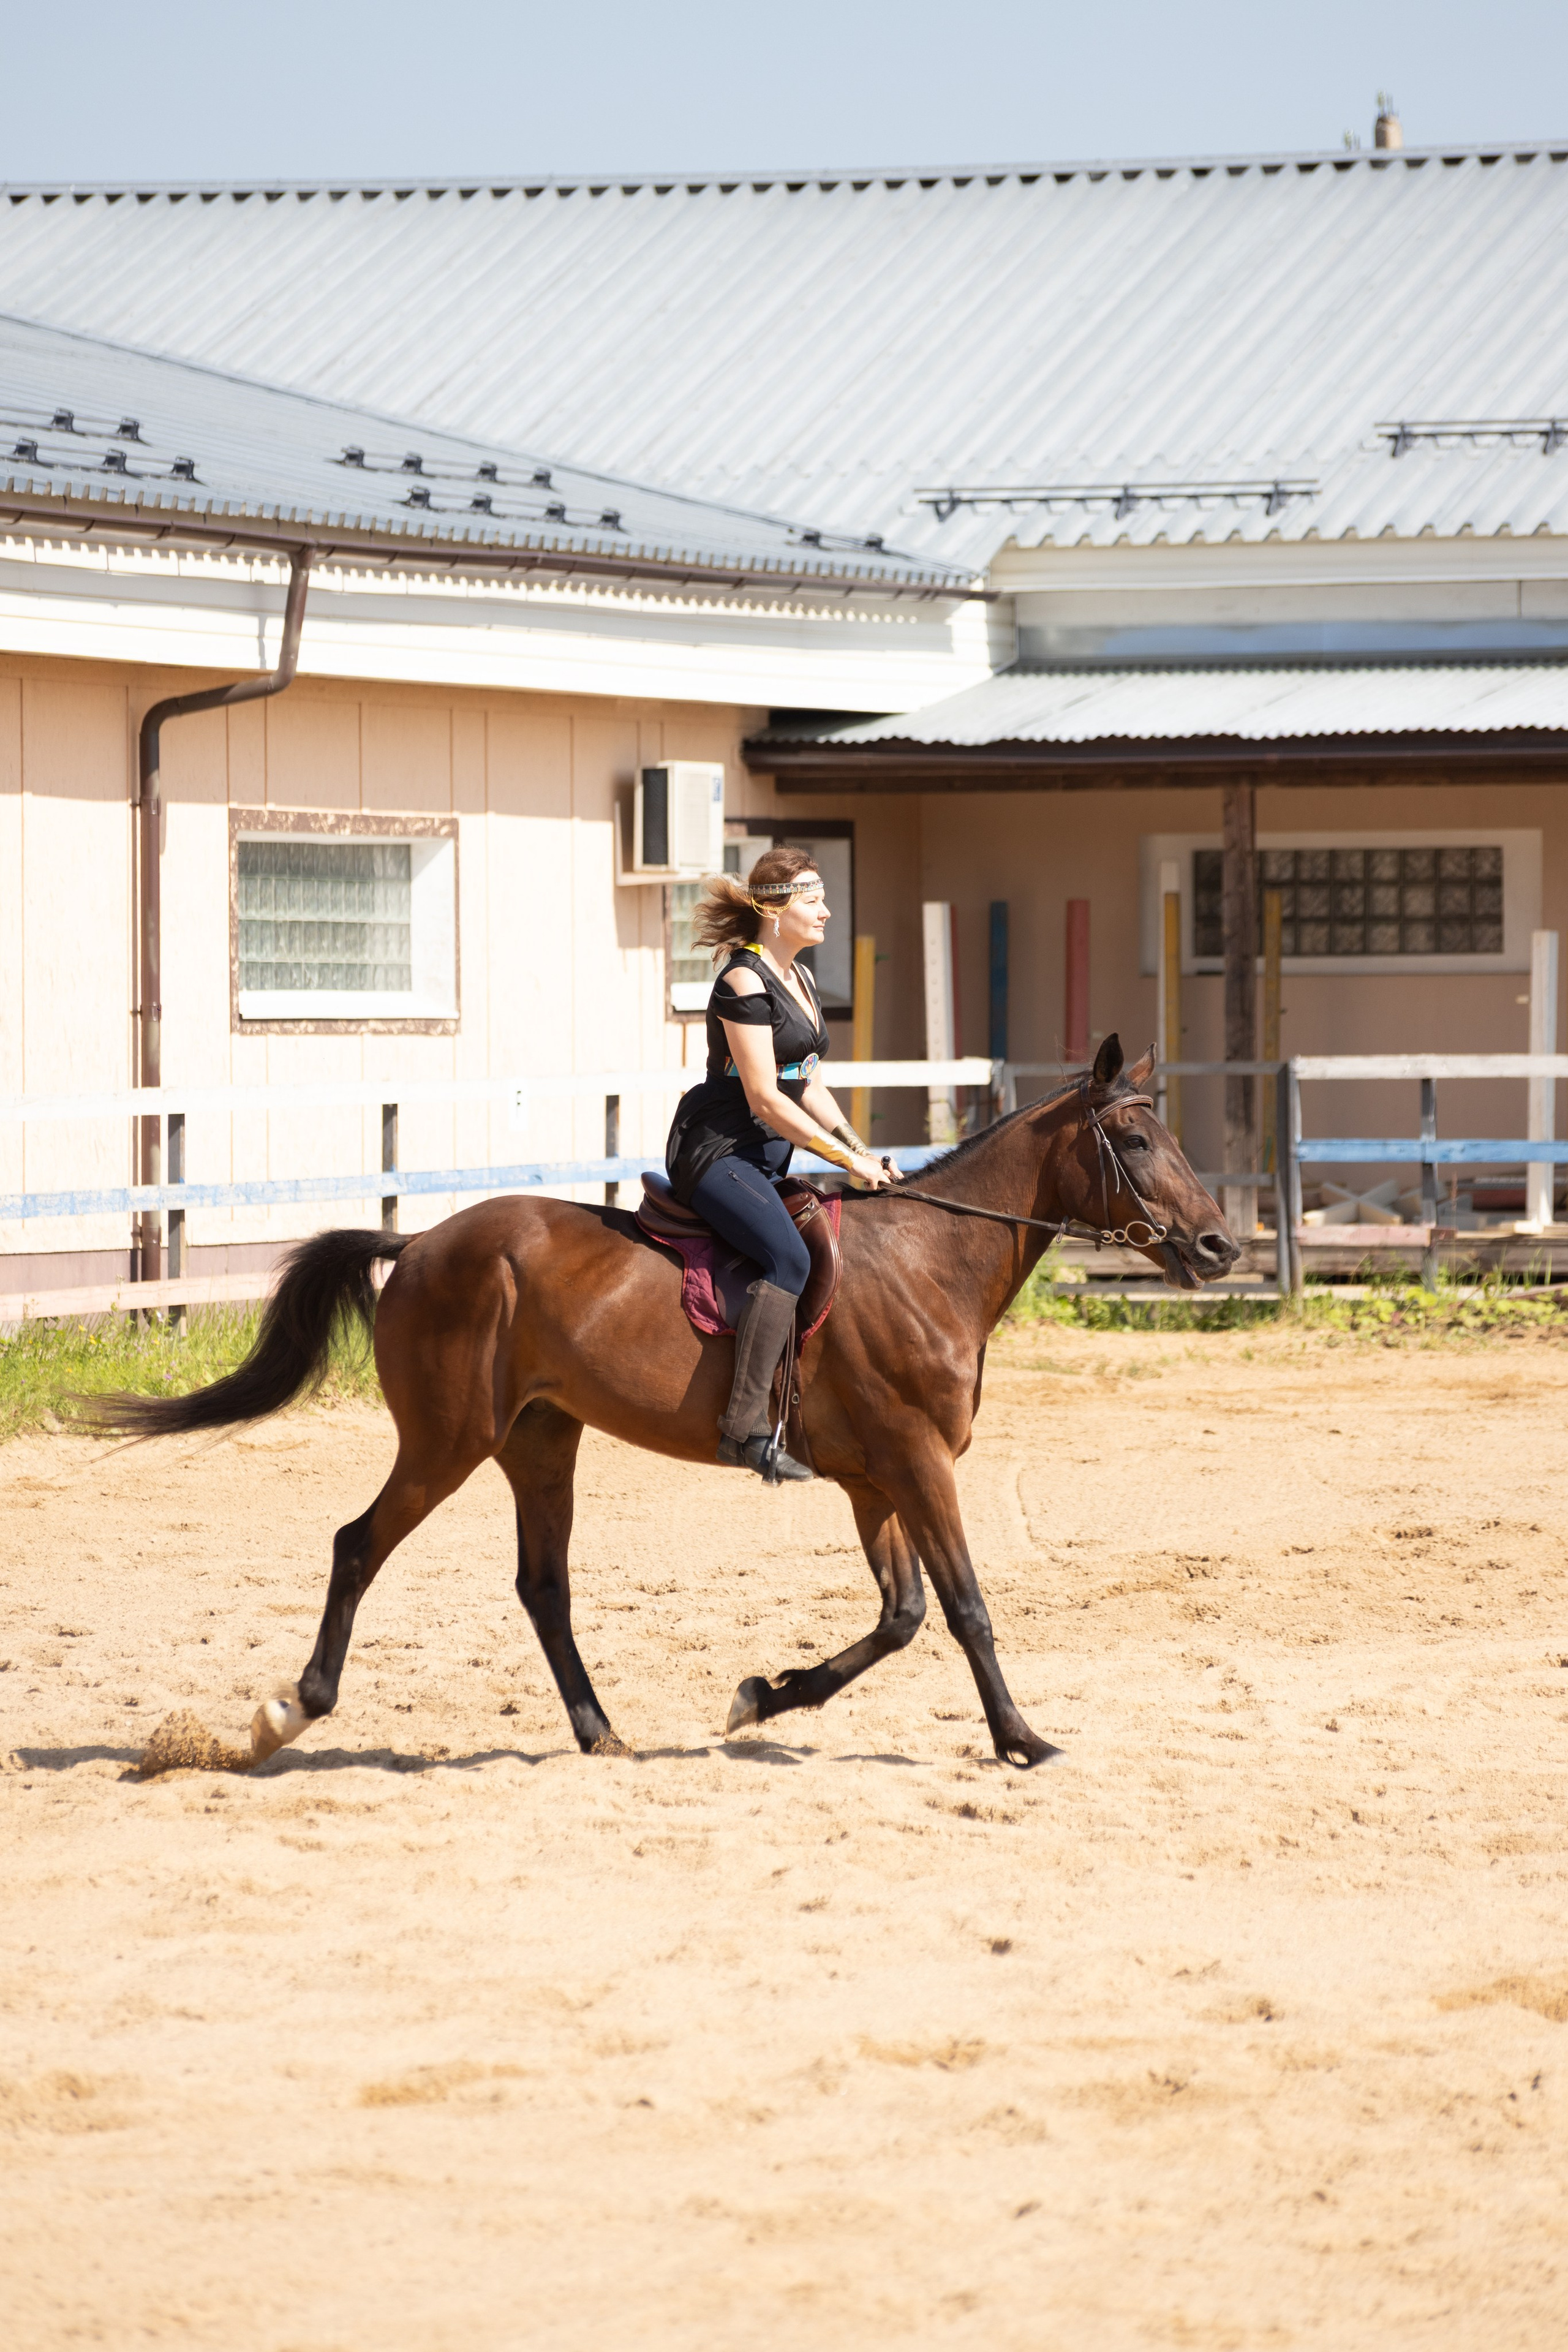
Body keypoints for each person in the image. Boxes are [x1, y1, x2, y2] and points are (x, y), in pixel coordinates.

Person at [665, 845, 901, 1480]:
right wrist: (843, 1161)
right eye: (812, 900)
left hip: (766, 1155)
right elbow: (767, 1099)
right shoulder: (743, 980)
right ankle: (742, 1429)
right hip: (718, 1154)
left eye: (823, 898)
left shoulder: (799, 979)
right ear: (774, 912)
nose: (826, 911)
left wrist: (857, 1150)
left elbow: (808, 1083)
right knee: (790, 1258)